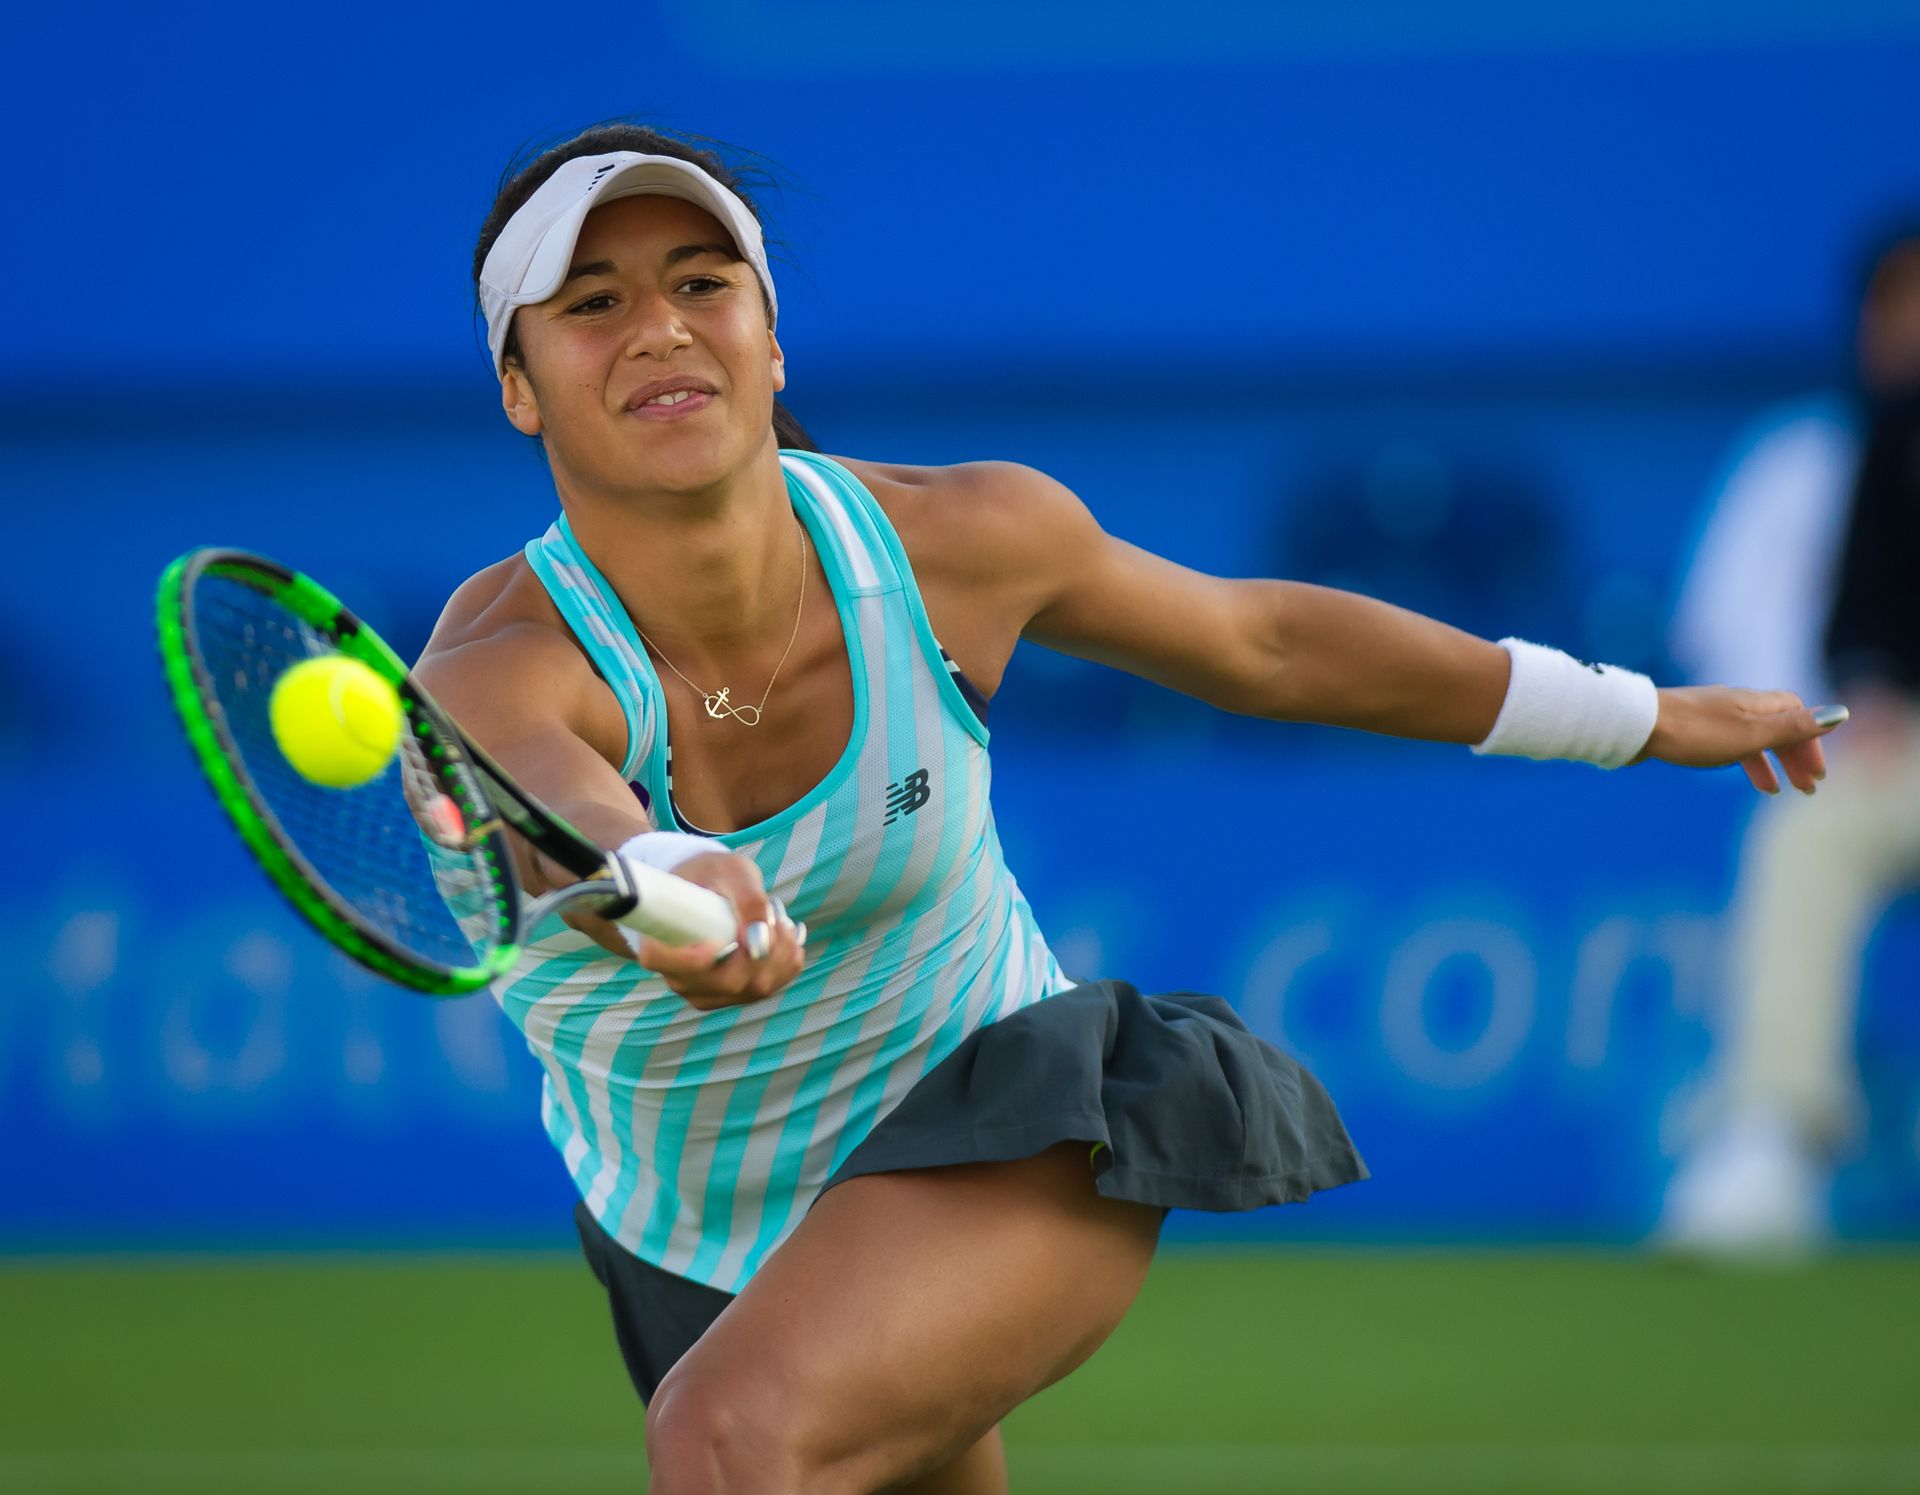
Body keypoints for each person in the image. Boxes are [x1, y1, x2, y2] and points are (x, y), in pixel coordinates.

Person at [417, 122, 1841, 1495]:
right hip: (695, 1235)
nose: (660, 327)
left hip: (998, 1115)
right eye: (592, 303)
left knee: (727, 1440)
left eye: (702, 283)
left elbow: (1263, 641)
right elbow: (560, 803)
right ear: (520, 386)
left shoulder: (957, 539)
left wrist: (1636, 714)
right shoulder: (491, 671)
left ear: (770, 338)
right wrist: (660, 867)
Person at [1660, 224, 1920, 1258]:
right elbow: (1730, 636)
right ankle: (1773, 1135)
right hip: (1869, 751)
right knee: (1804, 837)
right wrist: (1850, 709)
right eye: (1903, 306)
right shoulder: (1805, 457)